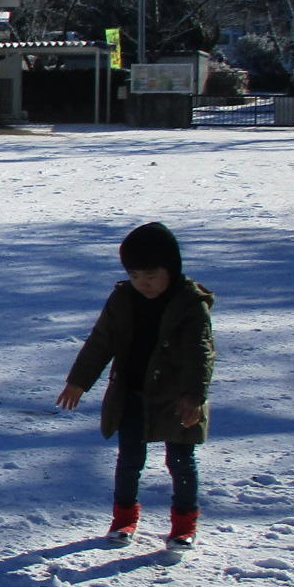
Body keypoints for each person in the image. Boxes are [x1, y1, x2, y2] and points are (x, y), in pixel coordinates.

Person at [56, 221, 216, 550]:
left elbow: (200, 354)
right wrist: (78, 381)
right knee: (129, 459)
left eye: (152, 275)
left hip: (176, 398)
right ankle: (123, 518)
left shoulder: (190, 305)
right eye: (136, 275)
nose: (143, 283)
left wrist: (194, 396)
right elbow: (101, 342)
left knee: (181, 461)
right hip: (131, 392)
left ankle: (184, 524)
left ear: (171, 270)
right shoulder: (123, 299)